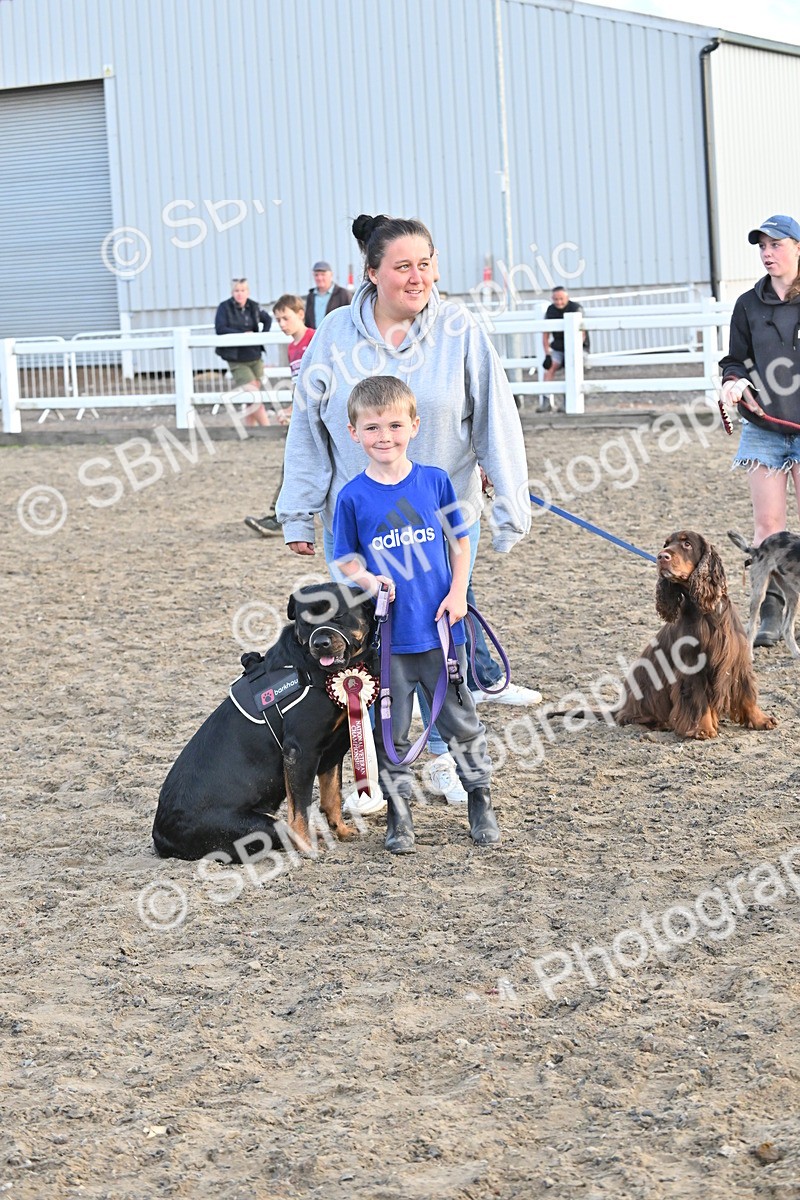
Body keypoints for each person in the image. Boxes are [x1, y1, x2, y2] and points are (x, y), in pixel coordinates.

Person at [276, 212, 540, 813]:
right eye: (402, 266)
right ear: (372, 273)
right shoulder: (333, 335)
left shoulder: (460, 329)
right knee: (364, 654)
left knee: (435, 647)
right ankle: (369, 774)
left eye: (426, 263)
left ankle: (444, 762)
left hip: (439, 527)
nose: (418, 276)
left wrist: (511, 504)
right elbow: (307, 428)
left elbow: (496, 418)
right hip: (361, 529)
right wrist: (297, 512)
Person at [332, 376, 499, 853]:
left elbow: (460, 542)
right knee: (391, 730)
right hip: (389, 641)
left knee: (461, 722)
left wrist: (459, 593)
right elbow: (345, 558)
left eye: (394, 425)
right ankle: (399, 813)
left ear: (414, 426)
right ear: (354, 433)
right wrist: (370, 582)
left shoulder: (434, 482)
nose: (384, 436)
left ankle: (480, 798)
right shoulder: (353, 497)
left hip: (442, 632)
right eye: (372, 428)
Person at [719, 213, 800, 647]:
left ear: (798, 248)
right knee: (768, 526)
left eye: (776, 245)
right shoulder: (748, 304)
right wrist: (733, 381)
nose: (767, 253)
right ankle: (770, 614)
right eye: (762, 246)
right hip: (765, 429)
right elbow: (735, 359)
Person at [244, 294, 314, 537]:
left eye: (286, 318)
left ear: (300, 314)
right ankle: (280, 516)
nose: (282, 324)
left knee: (295, 465)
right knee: (294, 464)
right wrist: (292, 408)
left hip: (317, 416)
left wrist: (301, 408)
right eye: (278, 320)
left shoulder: (314, 339)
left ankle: (281, 517)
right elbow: (299, 384)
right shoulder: (292, 347)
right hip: (306, 416)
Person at [214, 278, 273, 427]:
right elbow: (220, 328)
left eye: (242, 290)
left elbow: (267, 319)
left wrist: (261, 336)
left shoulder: (254, 306)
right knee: (253, 394)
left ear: (248, 292)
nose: (239, 294)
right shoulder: (224, 307)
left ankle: (250, 430)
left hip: (255, 355)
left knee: (251, 396)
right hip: (237, 358)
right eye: (236, 291)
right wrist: (242, 334)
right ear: (232, 292)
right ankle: (267, 427)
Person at [541, 285, 588, 412]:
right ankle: (546, 401)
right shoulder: (550, 310)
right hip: (558, 348)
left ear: (567, 298)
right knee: (549, 369)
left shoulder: (576, 308)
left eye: (561, 299)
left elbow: (582, 334)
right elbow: (545, 334)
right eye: (556, 299)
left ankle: (568, 401)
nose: (559, 302)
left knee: (572, 368)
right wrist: (547, 354)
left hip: (578, 348)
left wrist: (573, 353)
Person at [304, 261, 351, 330]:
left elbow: (349, 317)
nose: (319, 278)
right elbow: (307, 321)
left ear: (331, 275)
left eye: (323, 274)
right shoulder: (311, 296)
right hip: (315, 335)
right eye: (316, 275)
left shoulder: (343, 294)